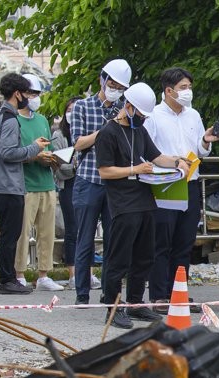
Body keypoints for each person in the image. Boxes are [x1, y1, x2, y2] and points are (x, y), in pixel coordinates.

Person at [94, 83, 191, 329]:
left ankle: (136, 302)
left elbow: (157, 157)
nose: (142, 119)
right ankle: (112, 306)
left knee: (145, 255)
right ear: (128, 107)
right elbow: (105, 171)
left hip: (145, 200)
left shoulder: (140, 131)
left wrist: (178, 161)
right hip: (122, 203)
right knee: (119, 258)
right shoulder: (108, 132)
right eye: (139, 114)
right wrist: (134, 169)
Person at [144, 67, 219, 311]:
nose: (188, 92)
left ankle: (179, 293)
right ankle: (158, 296)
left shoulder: (193, 115)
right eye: (182, 88)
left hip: (190, 183)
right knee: (161, 241)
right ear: (168, 91)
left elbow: (199, 149)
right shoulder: (153, 116)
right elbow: (149, 151)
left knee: (185, 242)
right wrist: (172, 161)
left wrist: (206, 141)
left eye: (189, 87)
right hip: (165, 184)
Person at [69, 58, 132, 305]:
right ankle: (81, 294)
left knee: (113, 240)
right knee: (84, 238)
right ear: (102, 80)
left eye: (121, 87)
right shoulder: (82, 107)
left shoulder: (124, 108)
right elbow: (78, 143)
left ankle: (110, 293)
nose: (116, 90)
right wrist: (107, 128)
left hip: (115, 182)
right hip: (88, 180)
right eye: (113, 84)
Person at [0, 73, 49, 295]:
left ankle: (8, 278)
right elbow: (8, 152)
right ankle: (7, 280)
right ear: (17, 93)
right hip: (8, 186)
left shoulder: (1, 115)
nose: (28, 98)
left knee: (8, 236)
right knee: (10, 237)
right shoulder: (11, 119)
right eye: (26, 93)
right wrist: (34, 148)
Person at [14, 74, 63, 291]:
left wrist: (52, 158)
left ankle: (43, 274)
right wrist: (35, 156)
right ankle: (19, 274)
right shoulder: (13, 120)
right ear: (21, 94)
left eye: (37, 94)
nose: (34, 98)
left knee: (47, 233)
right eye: (31, 93)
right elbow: (14, 153)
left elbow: (48, 148)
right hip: (26, 185)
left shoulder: (43, 120)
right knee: (22, 234)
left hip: (47, 184)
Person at [51, 97, 82, 286]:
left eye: (76, 109)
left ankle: (86, 271)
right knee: (72, 229)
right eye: (69, 109)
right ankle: (73, 273)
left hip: (87, 184)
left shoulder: (89, 131)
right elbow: (59, 167)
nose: (72, 113)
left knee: (87, 230)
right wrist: (75, 167)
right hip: (68, 185)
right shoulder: (59, 135)